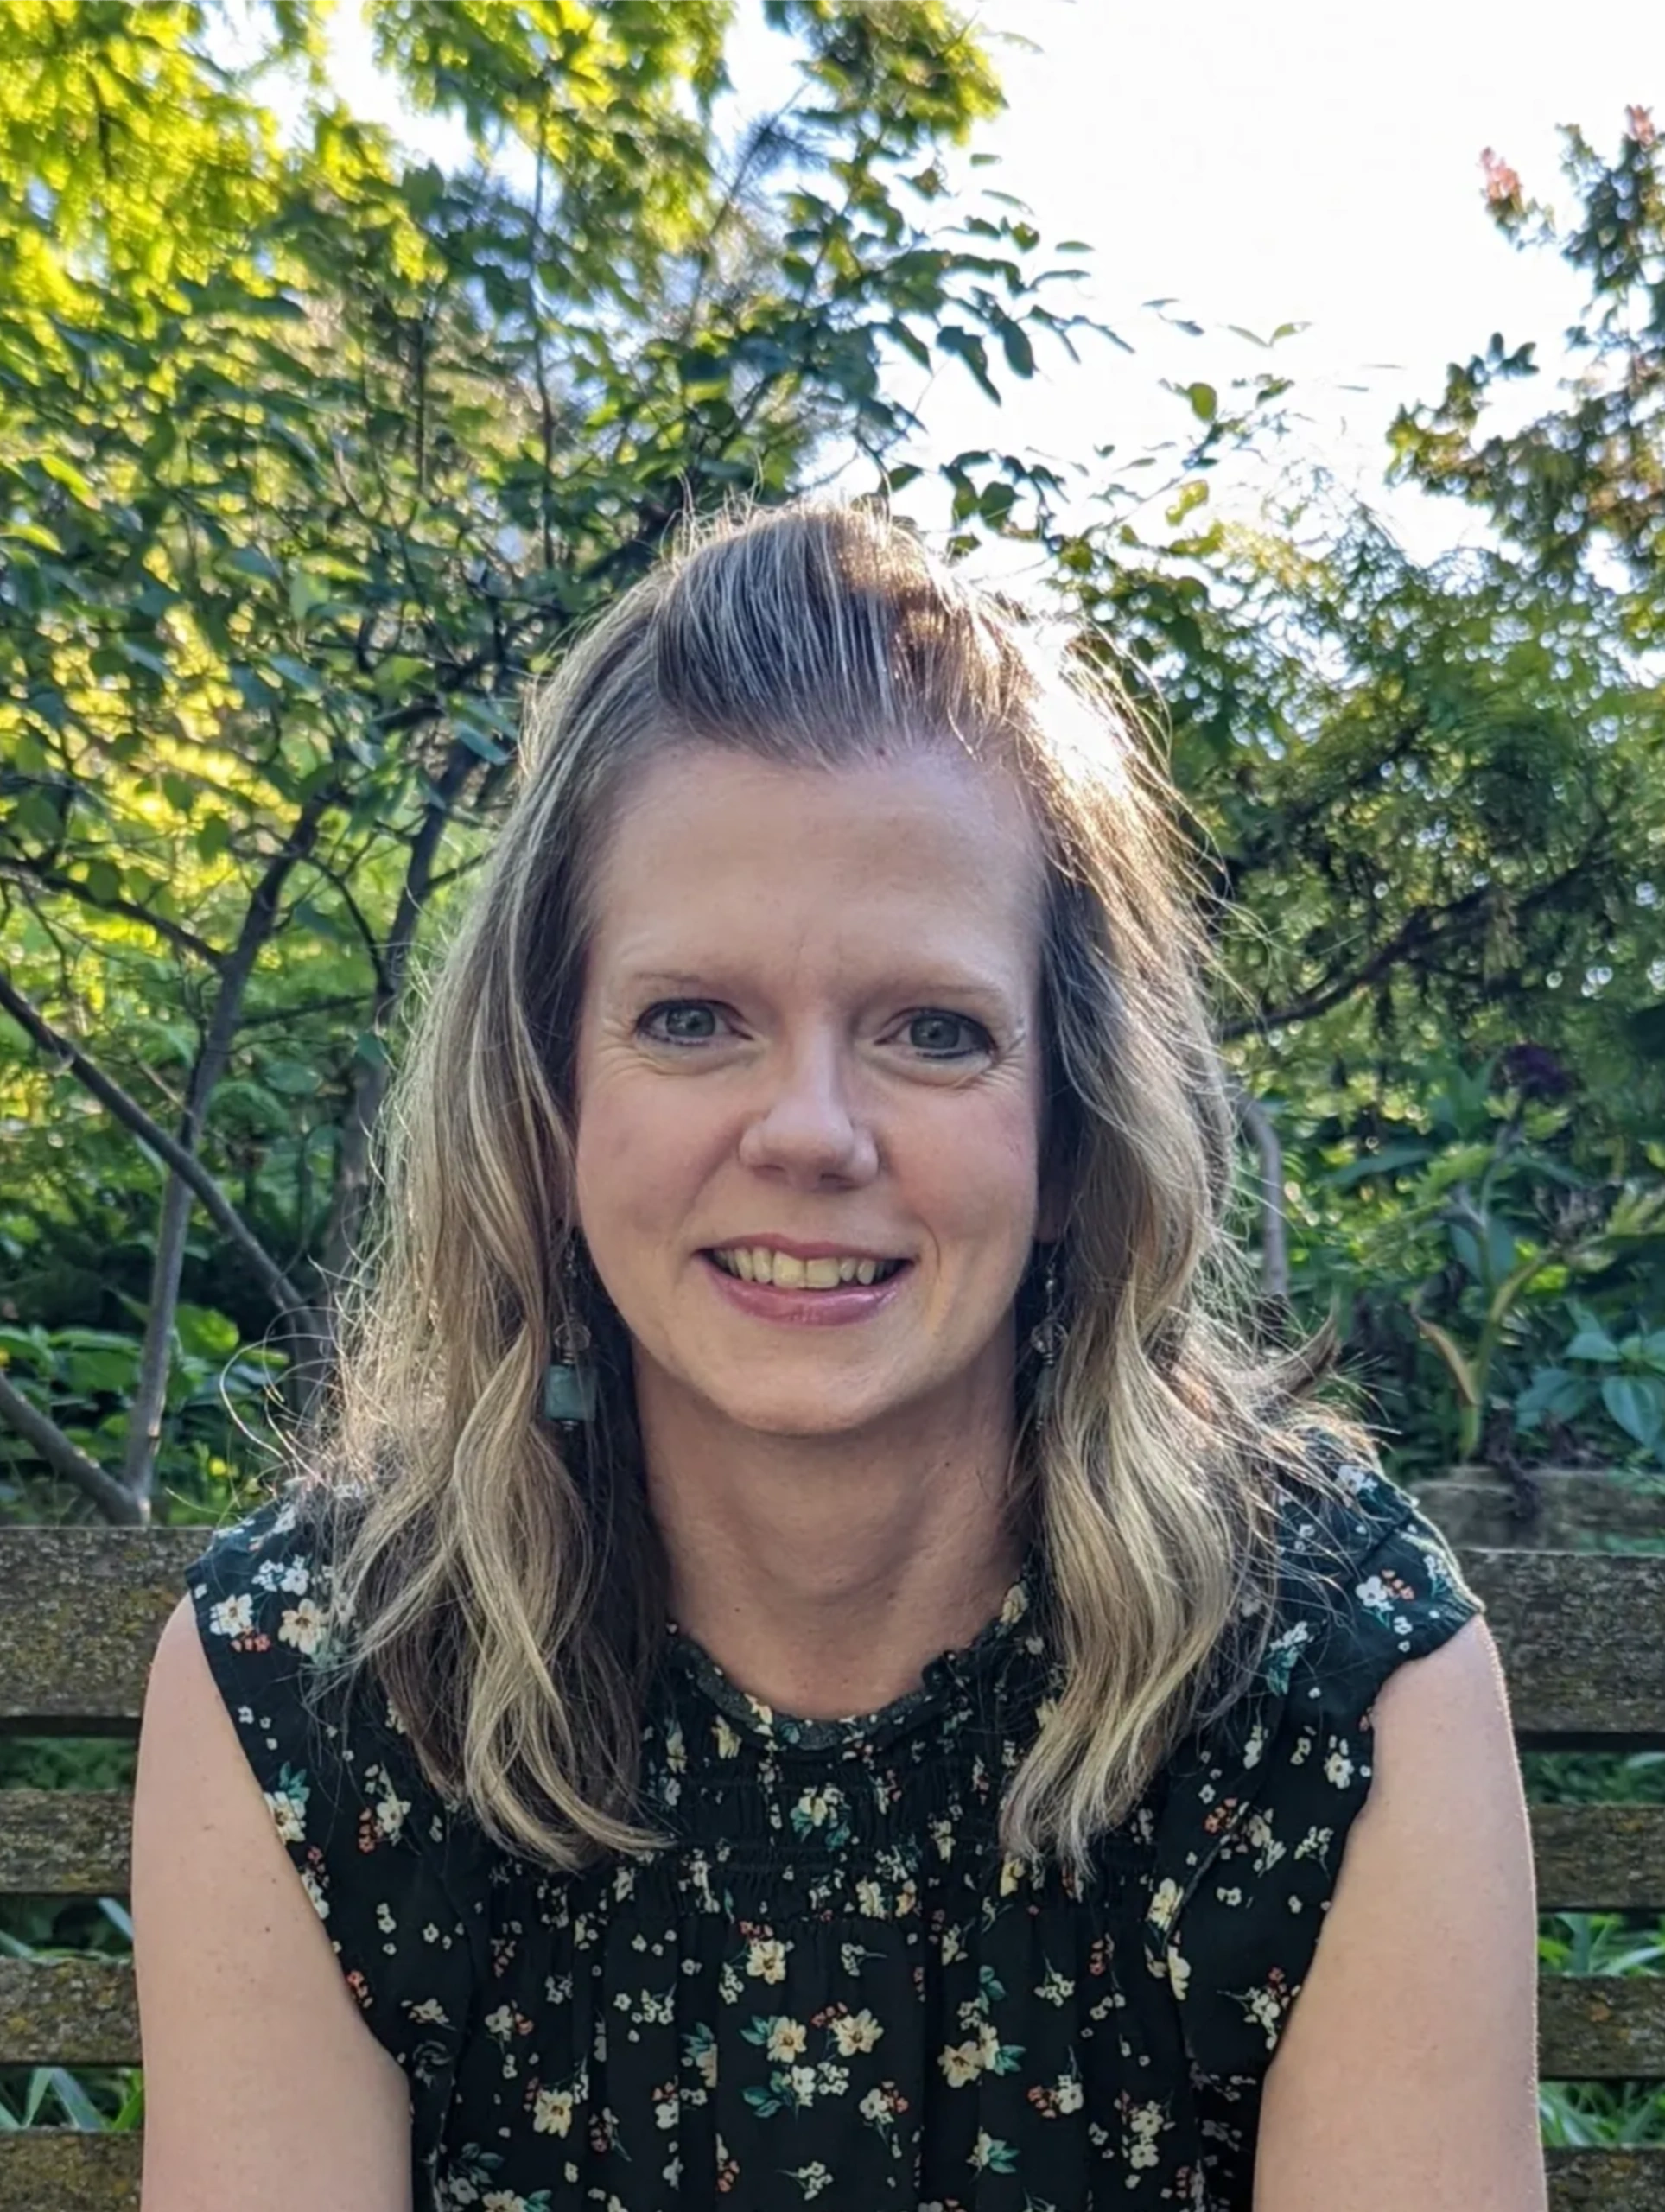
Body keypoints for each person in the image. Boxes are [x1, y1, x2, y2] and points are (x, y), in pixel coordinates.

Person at [131, 500, 1544, 2212]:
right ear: (548, 1098)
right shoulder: (321, 1676)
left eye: (932, 1030)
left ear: (1072, 1132)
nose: (808, 1130)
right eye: (692, 1017)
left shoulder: (1332, 1679)